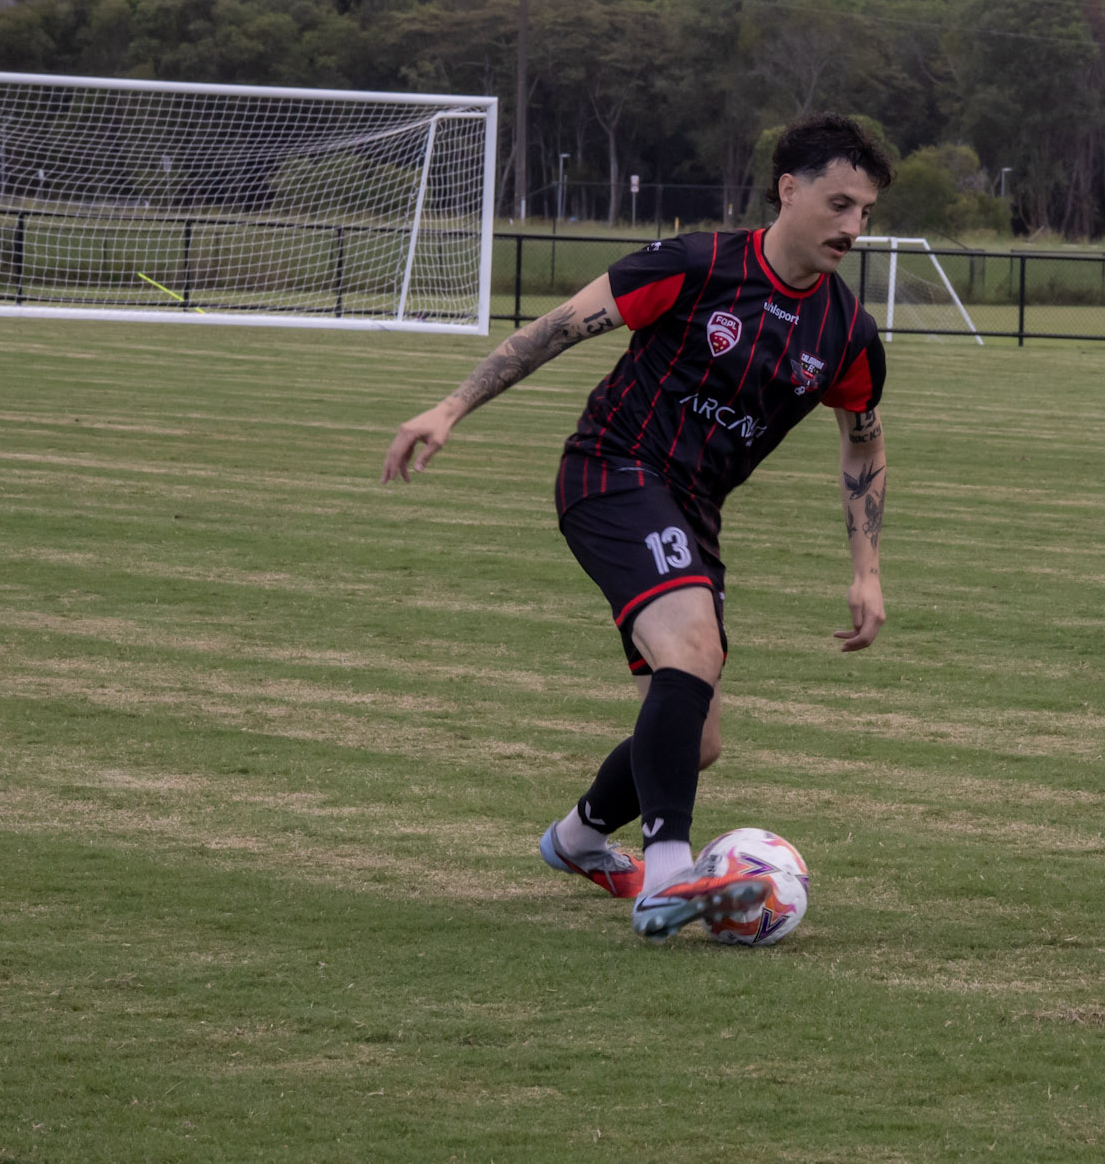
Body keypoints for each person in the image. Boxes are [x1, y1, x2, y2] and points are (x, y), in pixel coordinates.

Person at [381, 113, 894, 943]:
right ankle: (668, 878)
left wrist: (866, 568)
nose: (853, 226)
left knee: (699, 740)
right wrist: (450, 405)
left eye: (865, 211)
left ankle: (578, 838)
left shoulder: (845, 333)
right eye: (839, 203)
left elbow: (863, 442)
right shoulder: (695, 265)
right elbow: (554, 328)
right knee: (689, 650)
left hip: (693, 510)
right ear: (789, 189)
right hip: (611, 469)